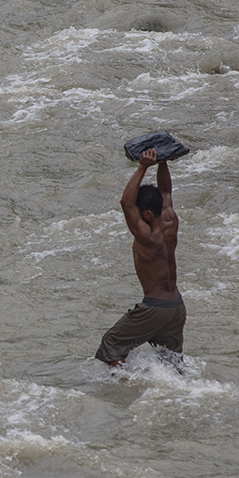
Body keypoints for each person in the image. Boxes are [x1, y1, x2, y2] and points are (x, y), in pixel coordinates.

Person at [95, 148, 186, 366]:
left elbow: (126, 203)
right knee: (171, 365)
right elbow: (166, 191)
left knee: (111, 345)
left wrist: (143, 166)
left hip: (155, 309)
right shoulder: (170, 219)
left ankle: (121, 392)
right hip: (176, 307)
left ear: (146, 213)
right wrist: (162, 161)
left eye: (139, 211)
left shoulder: (147, 236)